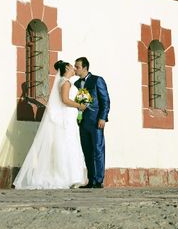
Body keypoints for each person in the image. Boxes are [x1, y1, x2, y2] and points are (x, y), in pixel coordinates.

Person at [13, 60, 88, 189]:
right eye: (71, 67)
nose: (73, 69)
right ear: (66, 69)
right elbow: (65, 100)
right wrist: (79, 105)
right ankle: (68, 177)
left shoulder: (63, 82)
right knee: (68, 145)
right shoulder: (66, 82)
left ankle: (71, 176)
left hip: (68, 118)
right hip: (66, 118)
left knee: (68, 145)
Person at [74, 57, 110, 188]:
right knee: (87, 150)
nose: (75, 69)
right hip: (83, 122)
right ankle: (90, 180)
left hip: (96, 121)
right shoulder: (77, 84)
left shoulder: (97, 80)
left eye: (77, 67)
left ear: (85, 68)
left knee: (98, 150)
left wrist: (102, 117)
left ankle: (98, 180)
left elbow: (105, 100)